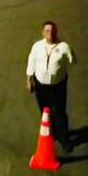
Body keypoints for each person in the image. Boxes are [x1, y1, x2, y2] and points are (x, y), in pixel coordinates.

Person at [25, 21, 76, 152]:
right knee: (45, 112)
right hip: (41, 86)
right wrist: (29, 79)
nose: (50, 33)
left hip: (58, 86)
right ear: (43, 33)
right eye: (47, 31)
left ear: (56, 32)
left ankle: (65, 140)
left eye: (52, 31)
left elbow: (73, 61)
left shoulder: (64, 47)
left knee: (58, 112)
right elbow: (31, 61)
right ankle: (52, 134)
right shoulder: (37, 46)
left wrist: (69, 54)